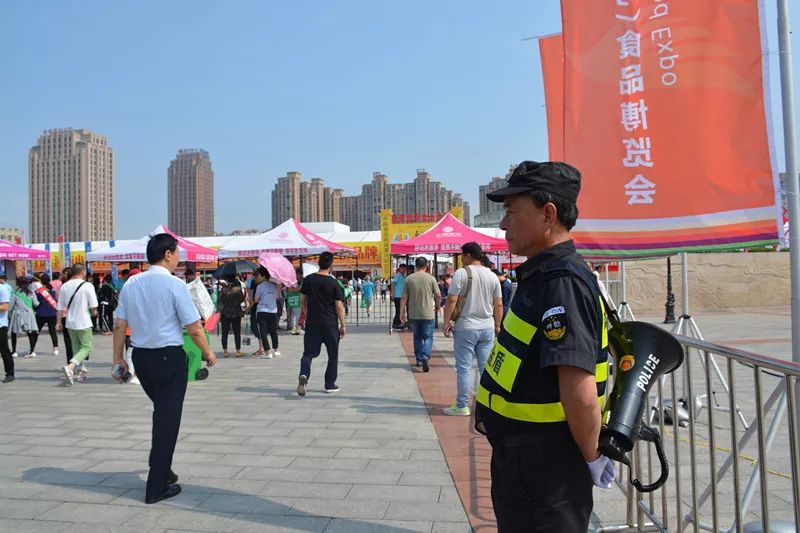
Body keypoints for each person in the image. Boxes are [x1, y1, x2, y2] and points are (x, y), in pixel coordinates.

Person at [476, 161, 614, 531]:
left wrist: (592, 457)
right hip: (525, 463)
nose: (503, 224)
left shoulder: (561, 283)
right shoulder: (542, 277)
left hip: (547, 471)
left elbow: (579, 391)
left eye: (511, 211)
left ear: (547, 215)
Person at [112, 232, 216, 504]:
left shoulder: (132, 283)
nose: (179, 258)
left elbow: (120, 325)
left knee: (162, 413)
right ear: (167, 254)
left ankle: (162, 467)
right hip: (168, 359)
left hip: (141, 359)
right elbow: (194, 327)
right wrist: (207, 352)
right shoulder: (174, 285)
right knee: (167, 420)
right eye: (177, 253)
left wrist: (118, 359)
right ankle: (156, 487)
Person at [442, 242, 502, 416]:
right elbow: (498, 304)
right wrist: (497, 325)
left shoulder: (461, 273)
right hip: (487, 327)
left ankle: (462, 405)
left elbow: (451, 300)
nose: (461, 259)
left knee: (464, 368)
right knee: (485, 368)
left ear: (467, 256)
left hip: (466, 327)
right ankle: (487, 404)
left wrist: (446, 322)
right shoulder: (492, 275)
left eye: (462, 255)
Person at [297, 251, 345, 396]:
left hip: (312, 323)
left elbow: (302, 300)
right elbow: (339, 306)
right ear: (331, 265)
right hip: (330, 324)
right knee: (332, 355)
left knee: (308, 354)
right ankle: (329, 385)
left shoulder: (308, 280)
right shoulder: (333, 282)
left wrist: (307, 313)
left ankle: (304, 374)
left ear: (318, 263)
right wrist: (343, 325)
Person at [57, 264, 97, 385]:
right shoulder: (87, 285)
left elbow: (59, 307)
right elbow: (93, 306)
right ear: (83, 272)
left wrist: (58, 322)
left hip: (70, 322)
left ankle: (80, 371)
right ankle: (70, 367)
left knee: (76, 347)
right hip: (83, 321)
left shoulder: (64, 286)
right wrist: (94, 313)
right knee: (87, 347)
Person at [400, 257, 440, 372]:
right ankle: (425, 355)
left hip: (414, 313)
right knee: (428, 337)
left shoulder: (408, 279)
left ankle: (419, 360)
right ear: (426, 266)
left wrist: (401, 312)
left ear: (416, 266)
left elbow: (404, 297)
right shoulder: (431, 278)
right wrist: (437, 306)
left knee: (417, 337)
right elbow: (438, 295)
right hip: (428, 313)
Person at [250, 267, 281, 358]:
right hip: (273, 311)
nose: (256, 278)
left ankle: (268, 352)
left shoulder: (259, 287)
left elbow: (256, 300)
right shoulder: (274, 285)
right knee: (273, 331)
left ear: (263, 276)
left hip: (262, 311)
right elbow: (277, 296)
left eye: (257, 276)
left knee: (263, 332)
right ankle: (276, 350)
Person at [9, 276, 40, 358]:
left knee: (14, 332)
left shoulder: (15, 293)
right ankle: (32, 351)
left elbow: (10, 307)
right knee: (30, 332)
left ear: (18, 283)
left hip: (18, 314)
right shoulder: (31, 292)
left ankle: (14, 351)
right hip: (29, 314)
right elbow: (36, 304)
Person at [217, 275, 245, 357]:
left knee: (224, 333)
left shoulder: (223, 289)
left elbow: (219, 301)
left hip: (225, 313)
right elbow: (242, 300)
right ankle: (238, 351)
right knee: (237, 333)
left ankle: (225, 351)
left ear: (227, 280)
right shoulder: (238, 289)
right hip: (236, 313)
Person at [34, 273, 59, 356]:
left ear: (41, 281)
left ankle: (32, 349)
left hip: (40, 314)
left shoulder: (38, 293)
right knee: (53, 331)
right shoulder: (53, 293)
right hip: (52, 314)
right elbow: (56, 302)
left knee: (36, 331)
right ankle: (55, 348)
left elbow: (35, 304)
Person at [58, 267, 74, 364]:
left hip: (65, 316)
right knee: (79, 341)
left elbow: (59, 305)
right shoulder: (80, 285)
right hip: (78, 316)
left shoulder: (63, 287)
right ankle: (78, 362)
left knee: (68, 341)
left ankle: (70, 363)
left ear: (65, 274)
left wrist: (58, 321)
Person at [0, 274, 14, 382]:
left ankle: (10, 373)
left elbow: (5, 307)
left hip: (1, 325)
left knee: (4, 349)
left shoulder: (2, 289)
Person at [391, 264, 408, 329]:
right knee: (398, 310)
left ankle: (399, 323)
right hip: (397, 296)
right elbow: (393, 284)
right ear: (399, 269)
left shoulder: (403, 276)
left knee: (401, 310)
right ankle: (396, 324)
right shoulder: (398, 275)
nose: (404, 270)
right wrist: (392, 294)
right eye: (402, 268)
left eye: (405, 268)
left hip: (401, 296)